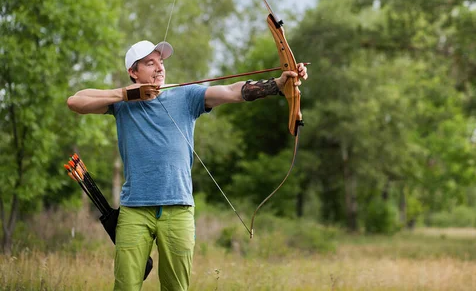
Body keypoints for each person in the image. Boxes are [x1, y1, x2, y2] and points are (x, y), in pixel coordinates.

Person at [67, 40, 308, 291]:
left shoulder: (186, 96)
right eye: (150, 63)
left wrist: (278, 85)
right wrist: (127, 94)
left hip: (178, 209)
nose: (159, 68)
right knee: (125, 286)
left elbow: (232, 91)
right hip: (134, 210)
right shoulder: (121, 104)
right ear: (133, 71)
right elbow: (75, 101)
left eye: (161, 62)